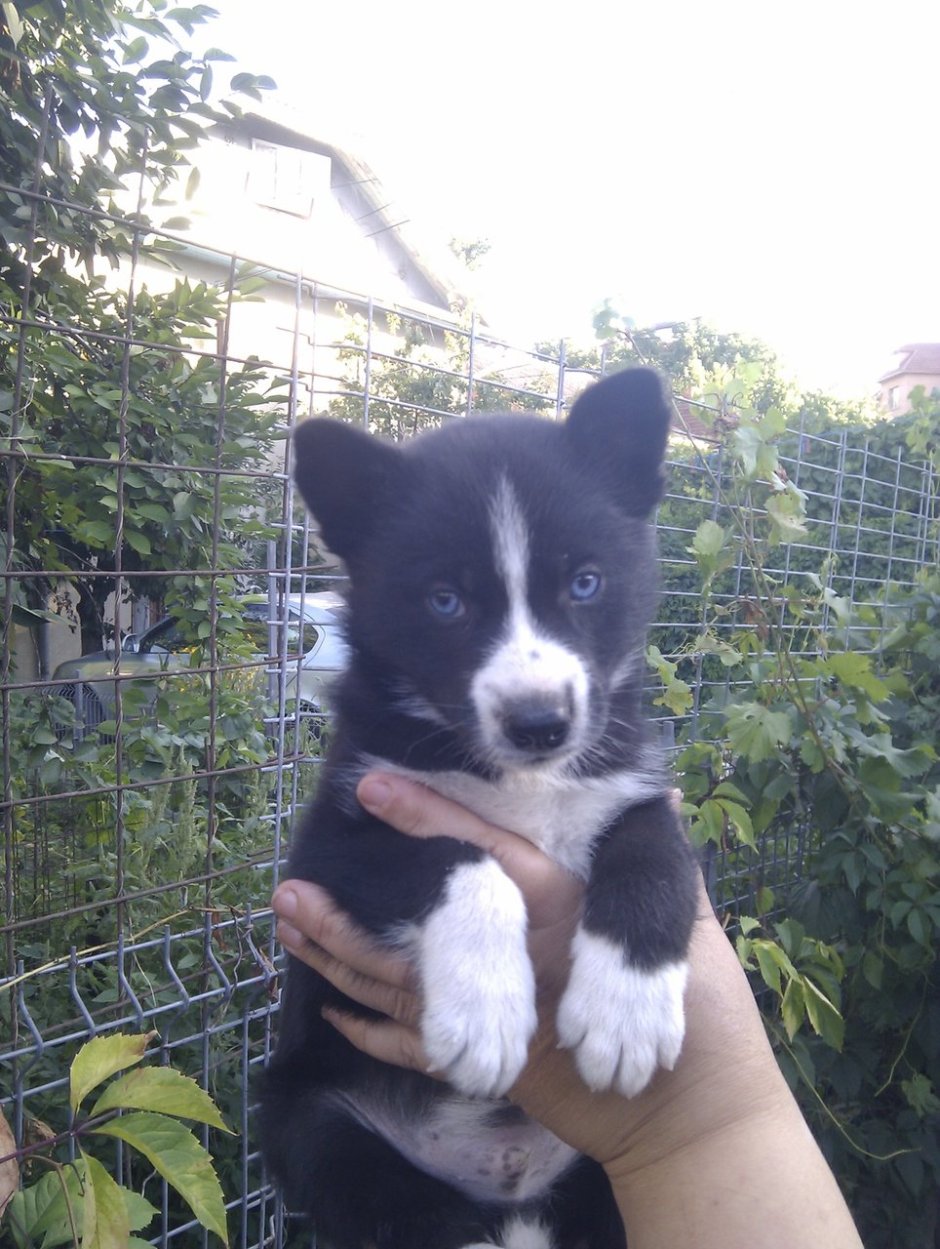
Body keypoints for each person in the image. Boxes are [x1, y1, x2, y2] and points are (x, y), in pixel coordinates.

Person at [271, 772, 864, 1249]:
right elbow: (342, 862)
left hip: (598, 1163)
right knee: (304, 1127)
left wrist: (639, 950)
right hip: (386, 1141)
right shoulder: (392, 750)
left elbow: (645, 841)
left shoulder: (607, 759)